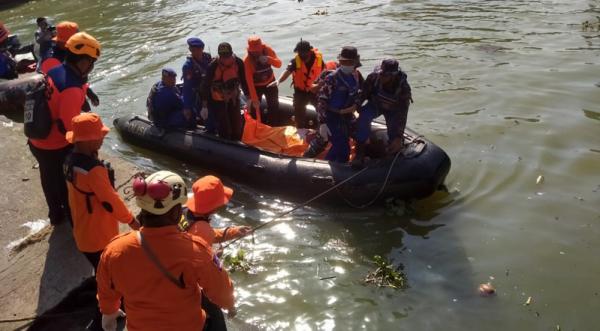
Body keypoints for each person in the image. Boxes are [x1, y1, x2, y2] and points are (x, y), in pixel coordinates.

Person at [97, 171, 236, 331]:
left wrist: (110, 312)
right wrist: (230, 305)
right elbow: (222, 292)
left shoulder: (114, 251)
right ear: (176, 212)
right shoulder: (197, 252)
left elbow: (106, 291)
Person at [63, 112, 140, 331]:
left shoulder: (70, 161)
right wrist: (132, 221)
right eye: (99, 136)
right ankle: (108, 314)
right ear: (87, 140)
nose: (103, 138)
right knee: (111, 277)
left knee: (102, 271)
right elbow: (111, 201)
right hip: (100, 237)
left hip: (83, 233)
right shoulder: (94, 170)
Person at [28, 32, 101, 225]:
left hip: (37, 141)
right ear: (84, 62)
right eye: (92, 62)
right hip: (54, 146)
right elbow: (68, 128)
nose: (92, 67)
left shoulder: (55, 71)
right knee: (64, 184)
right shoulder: (72, 88)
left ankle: (55, 215)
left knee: (47, 178)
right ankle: (72, 219)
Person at [306, 46, 363, 163]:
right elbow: (321, 101)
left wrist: (356, 105)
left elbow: (361, 93)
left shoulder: (356, 76)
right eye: (343, 62)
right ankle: (326, 168)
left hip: (347, 115)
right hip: (331, 116)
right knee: (341, 146)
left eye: (349, 62)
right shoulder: (332, 78)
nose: (346, 65)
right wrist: (322, 123)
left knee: (359, 136)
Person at [355, 59, 413, 164]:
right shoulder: (373, 78)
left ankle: (394, 153)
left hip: (393, 110)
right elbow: (363, 95)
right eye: (380, 74)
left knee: (394, 132)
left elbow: (403, 112)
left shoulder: (403, 88)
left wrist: (399, 136)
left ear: (393, 76)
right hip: (375, 104)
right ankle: (360, 153)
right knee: (364, 117)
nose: (381, 77)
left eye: (385, 75)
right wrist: (356, 107)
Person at [39, 21, 100, 109]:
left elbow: (73, 75)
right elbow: (64, 86)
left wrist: (88, 91)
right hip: (61, 100)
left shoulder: (65, 50)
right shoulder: (51, 61)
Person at [268, 40, 324, 128]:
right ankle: (300, 129)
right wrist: (279, 80)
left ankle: (321, 129)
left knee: (321, 111)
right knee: (299, 112)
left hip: (315, 90)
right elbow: (287, 71)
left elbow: (324, 74)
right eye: (300, 53)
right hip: (300, 92)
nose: (302, 56)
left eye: (304, 53)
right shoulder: (295, 61)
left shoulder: (319, 60)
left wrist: (320, 86)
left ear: (309, 51)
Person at [184, 175, 252, 247]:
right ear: (213, 208)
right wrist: (216, 256)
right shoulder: (203, 231)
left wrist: (233, 232)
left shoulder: (183, 209)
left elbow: (210, 234)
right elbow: (202, 256)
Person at [202, 42, 248, 140]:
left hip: (233, 97)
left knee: (236, 123)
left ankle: (237, 140)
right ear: (219, 55)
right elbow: (206, 85)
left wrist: (249, 98)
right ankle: (225, 140)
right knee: (224, 125)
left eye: (227, 56)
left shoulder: (238, 63)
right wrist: (204, 106)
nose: (225, 59)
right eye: (223, 56)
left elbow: (244, 81)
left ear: (232, 54)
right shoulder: (213, 66)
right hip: (218, 99)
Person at [243, 35, 282, 125]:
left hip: (270, 82)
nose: (256, 52)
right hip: (256, 87)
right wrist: (254, 98)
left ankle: (273, 126)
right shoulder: (247, 60)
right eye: (254, 51)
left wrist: (269, 59)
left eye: (257, 50)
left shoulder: (267, 50)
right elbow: (249, 80)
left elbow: (279, 64)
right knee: (254, 108)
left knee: (274, 106)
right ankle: (257, 125)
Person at [182, 37, 213, 131]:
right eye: (193, 49)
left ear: (202, 48)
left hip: (210, 91)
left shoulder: (207, 57)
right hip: (198, 95)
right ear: (190, 50)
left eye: (198, 49)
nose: (196, 52)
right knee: (208, 118)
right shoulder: (188, 66)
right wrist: (187, 107)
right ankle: (209, 131)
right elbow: (187, 87)